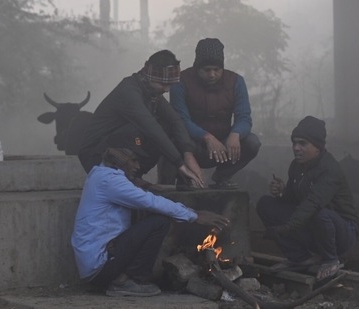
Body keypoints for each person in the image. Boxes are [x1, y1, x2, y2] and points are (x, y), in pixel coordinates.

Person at [71, 132, 230, 297]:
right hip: (100, 266)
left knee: (150, 216)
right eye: (133, 160)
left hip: (99, 264)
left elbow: (137, 192)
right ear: (119, 158)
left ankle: (123, 278)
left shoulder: (102, 174)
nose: (138, 166)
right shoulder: (109, 181)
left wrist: (146, 185)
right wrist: (194, 215)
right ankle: (124, 281)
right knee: (158, 222)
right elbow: (150, 202)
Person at [78, 50, 204, 190]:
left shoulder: (151, 91)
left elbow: (175, 121)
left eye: (169, 85)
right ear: (150, 76)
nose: (167, 90)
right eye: (163, 84)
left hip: (119, 146)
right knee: (147, 131)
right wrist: (180, 164)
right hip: (95, 155)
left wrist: (188, 154)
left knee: (168, 127)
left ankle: (135, 177)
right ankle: (127, 179)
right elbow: (151, 129)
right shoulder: (128, 92)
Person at [255, 116, 358, 281]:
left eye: (303, 143)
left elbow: (312, 203)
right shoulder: (296, 166)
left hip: (342, 233)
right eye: (294, 143)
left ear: (318, 147)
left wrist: (286, 228)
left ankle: (331, 260)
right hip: (313, 225)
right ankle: (301, 258)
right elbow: (296, 200)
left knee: (319, 212)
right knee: (265, 204)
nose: (296, 148)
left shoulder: (330, 170)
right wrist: (283, 192)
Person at [169, 38, 261, 189]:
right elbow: (181, 119)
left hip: (224, 146)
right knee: (171, 140)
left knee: (252, 142)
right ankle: (181, 179)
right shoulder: (180, 82)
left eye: (217, 70)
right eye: (206, 70)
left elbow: (244, 116)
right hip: (191, 145)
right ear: (197, 67)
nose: (212, 74)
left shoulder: (236, 81)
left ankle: (222, 176)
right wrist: (206, 137)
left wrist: (236, 134)